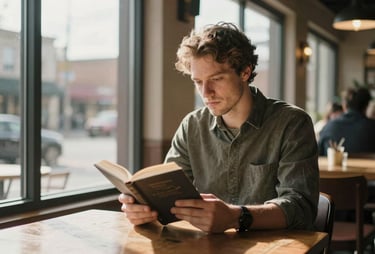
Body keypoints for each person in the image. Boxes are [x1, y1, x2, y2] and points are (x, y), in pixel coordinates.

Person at [119, 22, 319, 233]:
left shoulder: (292, 123)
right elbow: (168, 194)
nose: (206, 92)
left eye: (216, 79)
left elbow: (301, 208)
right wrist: (144, 209)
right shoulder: (192, 126)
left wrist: (236, 217)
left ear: (245, 72)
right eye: (198, 81)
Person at [318, 87, 375, 156]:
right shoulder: (372, 127)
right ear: (366, 106)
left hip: (332, 166)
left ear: (344, 105)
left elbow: (317, 157)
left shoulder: (329, 127)